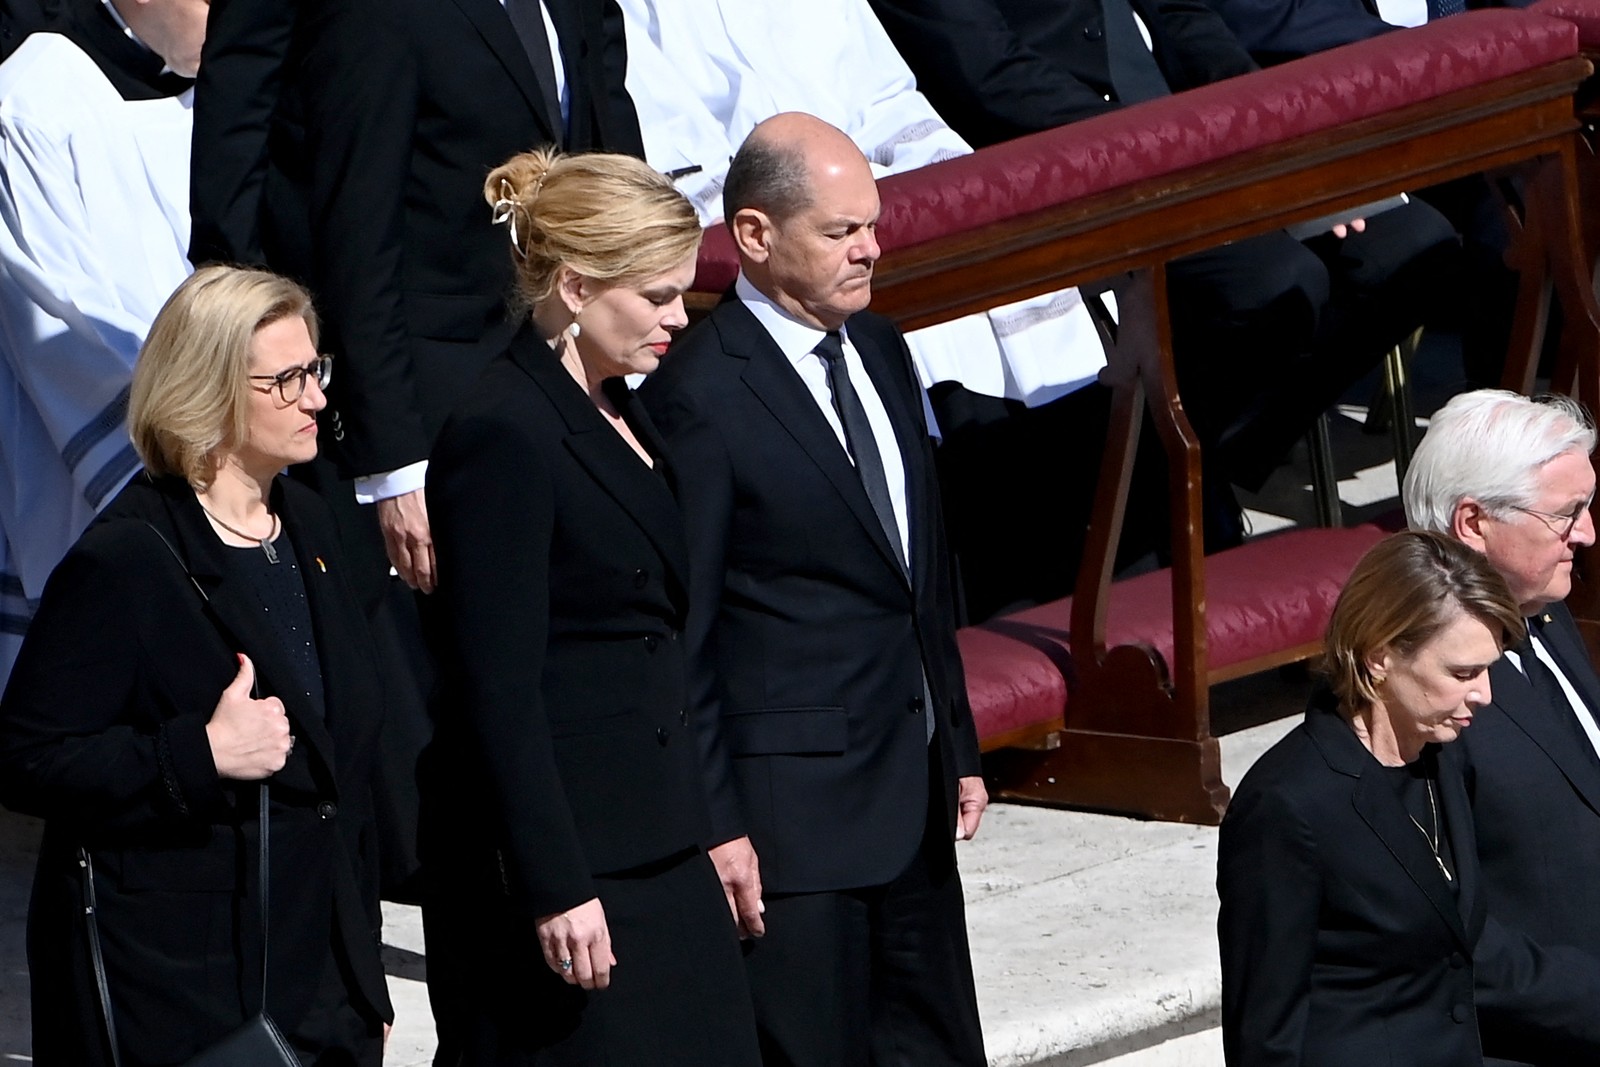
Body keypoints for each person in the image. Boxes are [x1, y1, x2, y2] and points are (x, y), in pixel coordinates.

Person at [639, 113, 987, 1066]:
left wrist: (956, 740)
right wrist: (718, 823)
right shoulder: (699, 395)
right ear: (755, 235)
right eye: (841, 231)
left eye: (872, 225)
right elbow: (689, 634)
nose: (870, 248)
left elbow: (918, 575)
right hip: (793, 832)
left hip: (912, 800)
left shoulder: (881, 348)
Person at [0, 265, 393, 1065]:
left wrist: (362, 976)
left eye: (315, 370)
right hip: (187, 997)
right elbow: (26, 756)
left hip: (320, 988)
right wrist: (199, 754)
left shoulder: (309, 524)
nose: (317, 398)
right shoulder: (128, 559)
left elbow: (341, 778)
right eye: (287, 380)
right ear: (208, 394)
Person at [423, 148, 760, 1065]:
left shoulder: (619, 404)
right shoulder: (503, 430)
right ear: (575, 287)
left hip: (662, 839)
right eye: (655, 296)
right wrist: (556, 884)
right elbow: (497, 687)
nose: (677, 316)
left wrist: (713, 820)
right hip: (578, 867)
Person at [867, 0, 1461, 502]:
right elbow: (988, 76)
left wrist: (1274, 134)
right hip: (1075, 164)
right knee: (1273, 282)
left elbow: (1186, 16)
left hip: (1195, 135)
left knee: (1412, 247)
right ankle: (1154, 487)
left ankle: (1199, 464)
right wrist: (1168, 151)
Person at [1219, 530, 1595, 1066]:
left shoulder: (1438, 757)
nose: (1485, 695)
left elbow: (1471, 944)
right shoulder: (1288, 804)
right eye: (1462, 673)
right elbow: (1265, 1031)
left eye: (1488, 669)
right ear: (1380, 657)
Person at [0, 0, 204, 684]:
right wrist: (196, 453)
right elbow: (62, 328)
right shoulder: (31, 102)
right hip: (117, 496)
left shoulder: (226, 99)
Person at [1404, 389, 1600, 1065]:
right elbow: (1451, 930)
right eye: (1566, 514)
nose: (1587, 533)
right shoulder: (1420, 688)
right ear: (1474, 523)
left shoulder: (1542, 607)